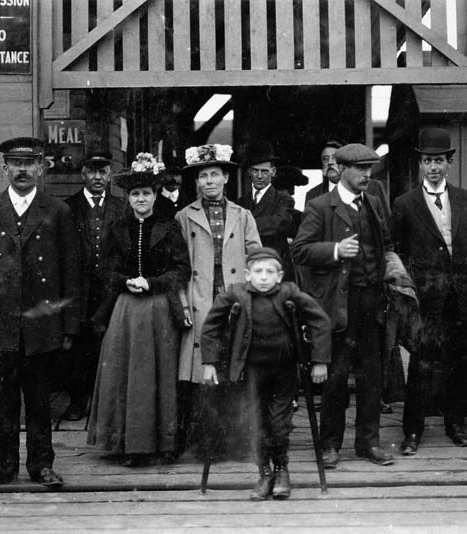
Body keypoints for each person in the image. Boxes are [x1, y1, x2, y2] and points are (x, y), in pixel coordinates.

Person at [0, 137, 80, 489]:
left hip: (41, 325)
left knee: (40, 401)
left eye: (30, 163)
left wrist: (69, 326)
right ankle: (2, 467)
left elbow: (70, 271)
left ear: (42, 168)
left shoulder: (57, 211)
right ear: (5, 168)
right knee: (2, 401)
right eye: (15, 163)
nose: (22, 169)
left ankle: (42, 466)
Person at [292, 143, 416, 468]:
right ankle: (330, 445)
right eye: (360, 169)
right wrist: (335, 250)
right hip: (339, 306)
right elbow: (300, 251)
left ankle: (368, 443)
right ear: (342, 169)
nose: (366, 175)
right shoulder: (320, 206)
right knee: (336, 378)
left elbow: (386, 244)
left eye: (369, 169)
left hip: (373, 303)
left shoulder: (374, 203)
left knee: (372, 377)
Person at [200, 247, 331, 500]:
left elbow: (320, 321)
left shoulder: (289, 293)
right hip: (249, 373)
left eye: (269, 272)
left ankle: (282, 470)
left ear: (280, 276)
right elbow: (211, 327)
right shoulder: (236, 293)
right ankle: (265, 473)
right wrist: (209, 362)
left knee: (279, 424)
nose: (263, 277)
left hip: (282, 373)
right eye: (257, 272)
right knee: (256, 423)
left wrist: (320, 360)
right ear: (247, 274)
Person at [86, 152, 191, 467]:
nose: (141, 199)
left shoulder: (169, 226)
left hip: (159, 309)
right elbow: (104, 270)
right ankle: (129, 444)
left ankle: (165, 444)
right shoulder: (118, 227)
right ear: (128, 197)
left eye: (146, 193)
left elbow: (181, 270)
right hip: (127, 309)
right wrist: (126, 281)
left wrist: (153, 284)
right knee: (127, 374)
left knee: (160, 375)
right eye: (135, 194)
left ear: (155, 195)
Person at [392, 128, 467, 455]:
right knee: (421, 363)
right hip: (426, 297)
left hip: (462, 296)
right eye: (427, 161)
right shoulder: (405, 203)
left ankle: (455, 423)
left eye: (439, 161)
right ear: (420, 164)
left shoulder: (466, 199)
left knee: (458, 361)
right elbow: (398, 251)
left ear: (449, 163)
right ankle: (412, 432)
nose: (433, 167)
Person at [175, 144, 262, 456]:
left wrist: (252, 296)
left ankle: (235, 440)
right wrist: (184, 303)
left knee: (233, 365)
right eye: (203, 176)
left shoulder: (242, 215)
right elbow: (179, 266)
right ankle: (204, 441)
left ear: (225, 177)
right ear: (197, 182)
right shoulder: (184, 217)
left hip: (234, 300)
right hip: (201, 299)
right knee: (201, 371)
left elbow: (257, 257)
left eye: (214, 174)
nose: (209, 181)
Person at [61, 150, 128, 421]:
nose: (98, 177)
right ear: (83, 174)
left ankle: (107, 406)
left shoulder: (122, 206)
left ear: (110, 174)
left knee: (110, 344)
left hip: (111, 287)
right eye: (92, 171)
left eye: (103, 171)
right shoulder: (68, 207)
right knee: (77, 347)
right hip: (79, 288)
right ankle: (78, 401)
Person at [236, 141, 296, 276]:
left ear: (273, 172)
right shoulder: (239, 203)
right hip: (247, 266)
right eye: (255, 171)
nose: (259, 176)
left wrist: (242, 226)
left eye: (264, 171)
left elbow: (278, 224)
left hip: (275, 265)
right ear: (249, 172)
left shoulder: (284, 200)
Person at [304, 139, 390, 215]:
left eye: (335, 158)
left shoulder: (373, 187)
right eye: (325, 159)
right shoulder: (313, 195)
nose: (329, 162)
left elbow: (385, 226)